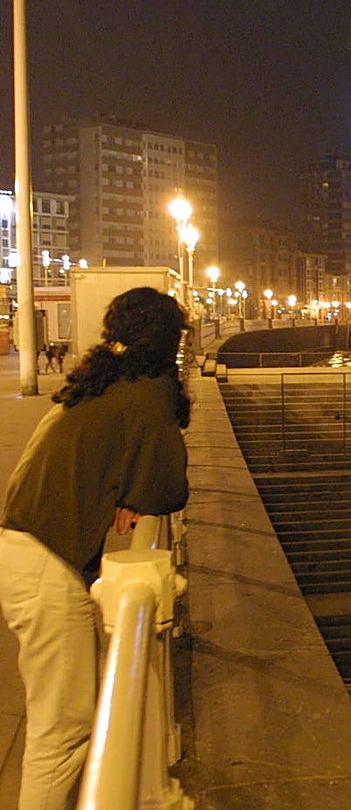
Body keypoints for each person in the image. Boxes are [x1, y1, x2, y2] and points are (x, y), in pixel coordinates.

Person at [0, 287, 190, 810]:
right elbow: (168, 485)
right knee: (63, 729)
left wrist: (123, 487)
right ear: (171, 339)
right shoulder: (149, 387)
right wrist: (135, 493)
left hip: (28, 547)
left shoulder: (103, 378)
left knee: (64, 718)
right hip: (46, 562)